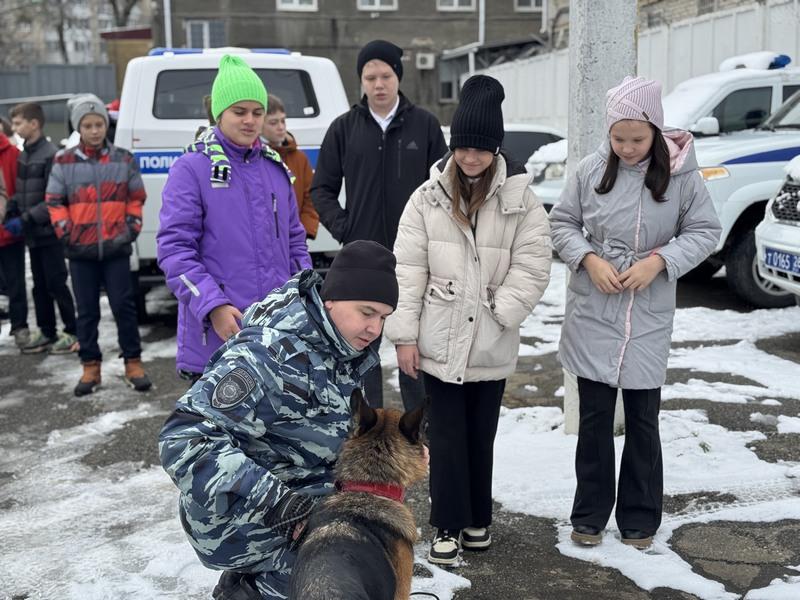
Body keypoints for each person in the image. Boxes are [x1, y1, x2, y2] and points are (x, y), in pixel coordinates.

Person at [159, 240, 398, 600]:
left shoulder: (340, 346)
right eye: (367, 312)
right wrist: (281, 506)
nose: (374, 328)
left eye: (383, 317)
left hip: (299, 489)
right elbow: (184, 440)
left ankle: (252, 586)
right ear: (331, 298)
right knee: (336, 565)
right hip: (234, 516)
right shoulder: (268, 354)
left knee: (371, 536)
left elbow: (323, 429)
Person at [384, 75, 553, 566]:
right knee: (446, 437)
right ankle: (447, 526)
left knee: (481, 435)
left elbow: (533, 264)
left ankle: (479, 519)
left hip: (491, 341)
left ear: (496, 148)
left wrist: (501, 312)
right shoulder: (428, 197)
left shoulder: (521, 199)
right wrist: (404, 337)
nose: (471, 158)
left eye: (481, 149)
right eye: (463, 147)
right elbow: (408, 269)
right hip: (438, 340)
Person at [549, 76, 722, 549]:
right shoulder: (589, 170)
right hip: (595, 308)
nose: (626, 148)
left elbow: (706, 231)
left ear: (656, 131)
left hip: (647, 312)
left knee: (644, 419)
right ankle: (588, 515)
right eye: (618, 138)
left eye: (638, 139)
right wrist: (588, 258)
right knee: (595, 419)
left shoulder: (683, 176)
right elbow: (562, 223)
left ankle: (641, 517)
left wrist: (659, 262)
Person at [311, 39, 448, 410]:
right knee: (362, 349)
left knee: (413, 352)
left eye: (385, 75)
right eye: (369, 77)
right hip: (362, 261)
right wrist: (346, 229)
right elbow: (320, 189)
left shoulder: (425, 125)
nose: (378, 84)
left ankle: (421, 438)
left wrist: (433, 235)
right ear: (361, 81)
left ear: (398, 77)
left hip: (414, 260)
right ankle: (368, 436)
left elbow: (444, 189)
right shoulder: (344, 129)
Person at [158, 55, 312, 383]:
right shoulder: (191, 168)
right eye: (239, 112)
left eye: (257, 112)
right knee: (219, 435)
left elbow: (295, 242)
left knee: (273, 434)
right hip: (219, 335)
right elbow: (175, 251)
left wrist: (307, 297)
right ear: (219, 114)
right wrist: (213, 306)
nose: (250, 121)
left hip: (277, 336)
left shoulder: (275, 169)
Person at [46, 95, 152, 396]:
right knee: (87, 311)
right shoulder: (63, 161)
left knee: (124, 307)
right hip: (81, 251)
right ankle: (90, 366)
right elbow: (54, 201)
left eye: (99, 124)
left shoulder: (123, 158)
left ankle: (133, 362)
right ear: (78, 127)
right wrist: (67, 231)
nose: (94, 130)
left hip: (116, 248)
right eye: (87, 125)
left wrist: (130, 228)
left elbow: (136, 197)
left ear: (106, 125)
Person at [8, 102, 78, 354]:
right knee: (39, 285)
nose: (14, 128)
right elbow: (21, 188)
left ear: (34, 124)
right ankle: (47, 330)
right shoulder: (25, 152)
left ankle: (72, 330)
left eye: (18, 123)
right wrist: (13, 209)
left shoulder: (50, 154)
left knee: (56, 282)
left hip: (50, 233)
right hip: (32, 233)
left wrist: (26, 218)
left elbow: (53, 197)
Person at [261, 94, 319, 240]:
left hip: (294, 239)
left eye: (283, 121)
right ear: (259, 125)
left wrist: (303, 231)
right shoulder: (253, 157)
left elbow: (311, 197)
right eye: (273, 123)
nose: (281, 127)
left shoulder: (299, 158)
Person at [0, 117, 28, 347]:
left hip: (9, 233)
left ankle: (20, 327)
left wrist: (17, 217)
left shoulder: (12, 154)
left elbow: (21, 189)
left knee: (15, 284)